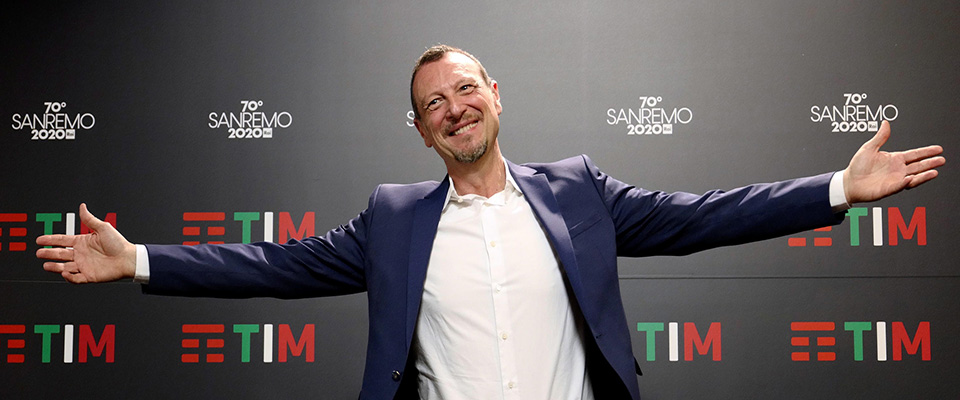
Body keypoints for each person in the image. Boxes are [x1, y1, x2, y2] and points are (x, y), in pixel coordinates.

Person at [37, 45, 944, 400]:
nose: (453, 108)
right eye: (433, 102)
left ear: (495, 96)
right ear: (420, 127)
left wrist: (837, 188)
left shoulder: (579, 192)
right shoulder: (393, 221)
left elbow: (709, 217)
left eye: (465, 88)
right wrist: (141, 261)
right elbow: (272, 265)